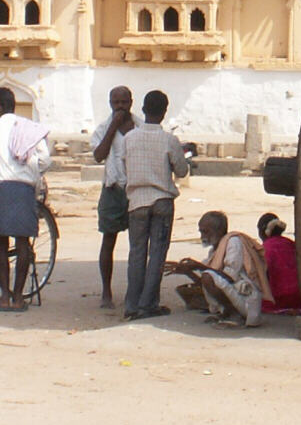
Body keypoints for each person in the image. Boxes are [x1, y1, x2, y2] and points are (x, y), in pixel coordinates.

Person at [0, 87, 51, 312]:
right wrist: (29, 171)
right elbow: (45, 160)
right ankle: (19, 298)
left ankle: (4, 297)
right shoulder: (28, 127)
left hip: (3, 187)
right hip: (25, 189)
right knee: (22, 243)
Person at [120, 89, 190, 321]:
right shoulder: (169, 140)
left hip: (137, 201)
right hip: (161, 200)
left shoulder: (129, 138)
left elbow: (122, 170)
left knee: (137, 253)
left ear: (143, 110)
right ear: (164, 112)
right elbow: (181, 170)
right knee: (157, 254)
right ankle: (148, 303)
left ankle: (132, 304)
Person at [168, 210, 270, 326]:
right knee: (207, 276)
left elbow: (230, 278)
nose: (202, 236)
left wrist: (199, 266)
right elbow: (206, 284)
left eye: (206, 232)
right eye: (201, 232)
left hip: (246, 300)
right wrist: (187, 272)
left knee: (207, 275)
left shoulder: (233, 243)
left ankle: (234, 314)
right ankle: (226, 312)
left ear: (219, 231)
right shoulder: (215, 250)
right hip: (235, 295)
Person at [89, 85, 135, 310]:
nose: (120, 107)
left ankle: (134, 292)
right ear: (110, 104)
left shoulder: (141, 127)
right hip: (112, 189)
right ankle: (106, 291)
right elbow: (98, 156)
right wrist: (113, 126)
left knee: (137, 244)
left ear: (131, 103)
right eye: (116, 103)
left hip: (136, 190)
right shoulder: (102, 129)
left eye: (124, 103)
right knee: (108, 241)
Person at [257, 212, 301, 313]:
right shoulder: (291, 244)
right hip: (299, 299)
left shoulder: (265, 248)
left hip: (277, 301)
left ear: (262, 232)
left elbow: (262, 275)